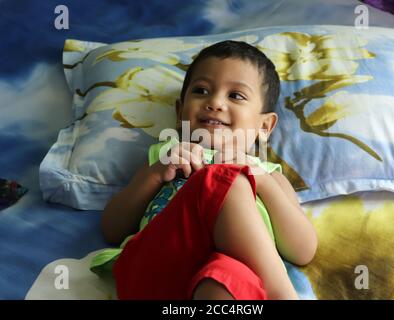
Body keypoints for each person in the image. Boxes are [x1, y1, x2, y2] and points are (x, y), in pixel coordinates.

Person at [91, 40, 318, 300]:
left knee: (223, 279)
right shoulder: (165, 157)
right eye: (201, 90)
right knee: (222, 180)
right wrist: (156, 174)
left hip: (231, 285)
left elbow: (303, 250)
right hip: (157, 270)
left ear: (264, 126)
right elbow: (112, 228)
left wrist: (261, 180)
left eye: (235, 95)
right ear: (179, 112)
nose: (215, 102)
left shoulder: (269, 175)